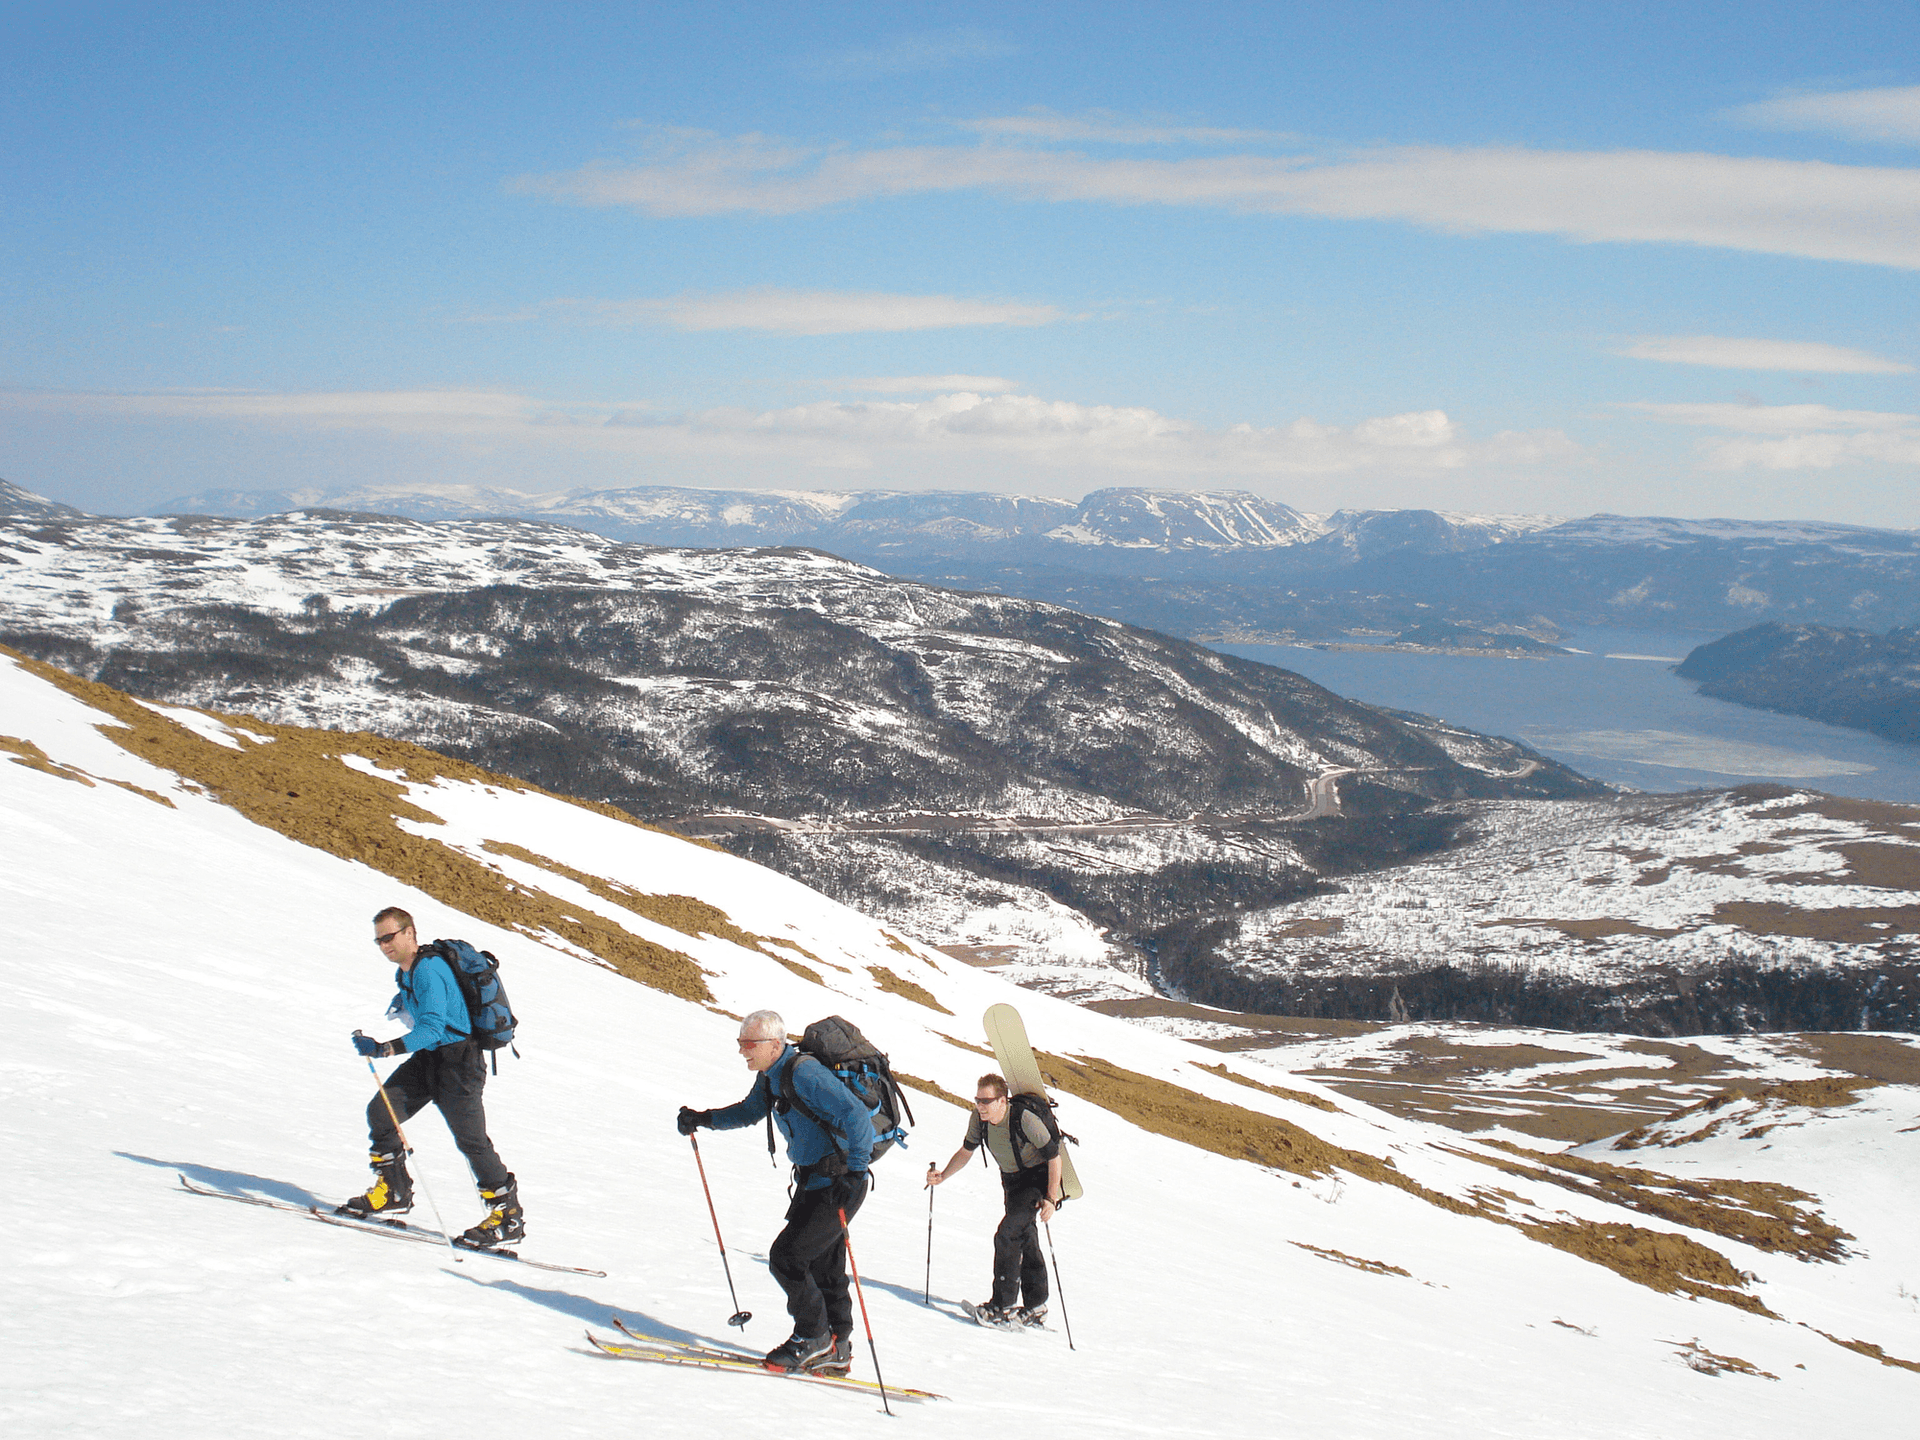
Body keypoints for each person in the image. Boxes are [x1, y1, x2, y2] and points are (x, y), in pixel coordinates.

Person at [677, 1010, 875, 1373]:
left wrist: (857, 1171)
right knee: (824, 1267)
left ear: (774, 1044)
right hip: (815, 1182)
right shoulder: (771, 1076)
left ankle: (813, 1337)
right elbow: (750, 1112)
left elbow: (856, 1116)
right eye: (740, 1043)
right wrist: (704, 1119)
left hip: (838, 1181)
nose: (742, 1051)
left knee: (788, 1257)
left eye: (748, 1044)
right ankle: (837, 1347)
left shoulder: (804, 1073)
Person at [337, 906, 524, 1247]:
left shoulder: (428, 970)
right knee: (382, 1112)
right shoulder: (407, 973)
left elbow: (434, 1028)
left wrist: (385, 1049)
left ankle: (507, 1217)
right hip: (431, 1060)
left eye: (389, 937)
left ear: (410, 933)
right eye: (379, 940)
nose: (384, 946)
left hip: (460, 1064)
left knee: (472, 1141)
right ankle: (393, 1190)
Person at [925, 1073, 1063, 1326]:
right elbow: (966, 1151)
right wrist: (943, 1176)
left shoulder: (1024, 1119)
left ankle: (1002, 1306)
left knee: (1007, 1235)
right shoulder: (979, 1119)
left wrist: (1051, 1198)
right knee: (1025, 1237)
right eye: (978, 1099)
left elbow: (1054, 1158)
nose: (980, 1105)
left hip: (1035, 1180)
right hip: (1011, 1182)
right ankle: (1036, 1306)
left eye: (986, 1101)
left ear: (1002, 1100)